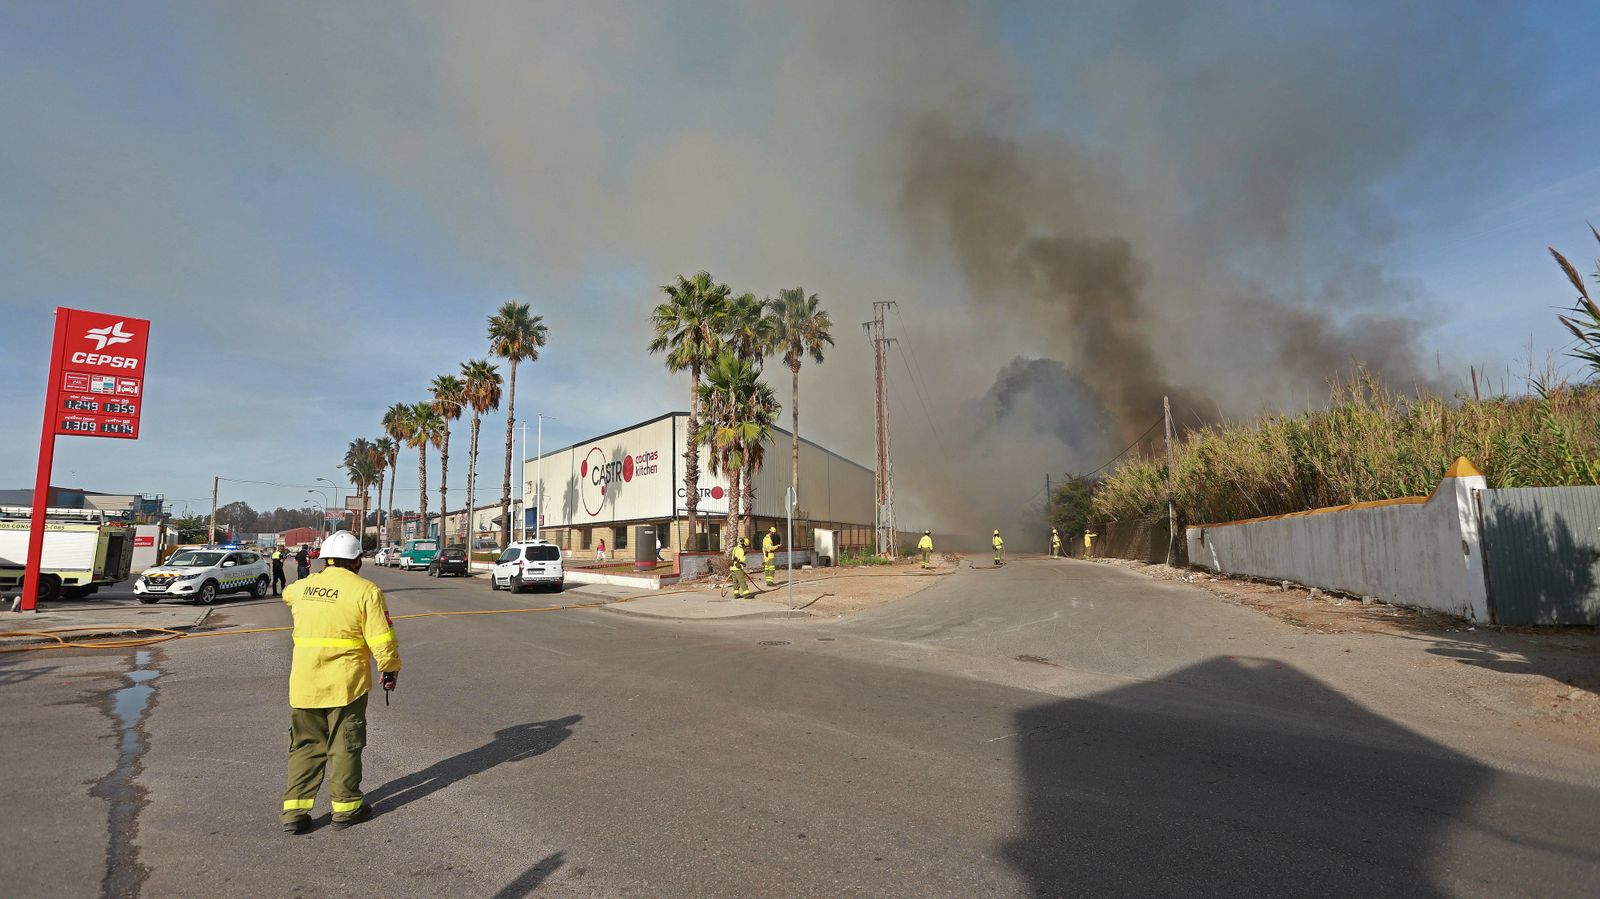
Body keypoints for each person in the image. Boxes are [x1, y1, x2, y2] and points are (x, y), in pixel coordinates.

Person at [279, 530, 400, 834]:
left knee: (305, 745)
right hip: (346, 685)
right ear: (357, 561)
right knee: (345, 745)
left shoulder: (302, 588)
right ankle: (346, 807)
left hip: (305, 684)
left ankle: (295, 812)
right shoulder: (366, 591)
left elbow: (287, 595)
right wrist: (389, 669)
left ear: (324, 560)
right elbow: (381, 638)